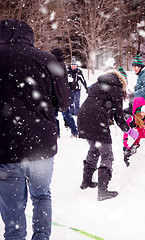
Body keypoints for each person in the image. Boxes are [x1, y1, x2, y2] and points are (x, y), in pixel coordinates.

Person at [0, 19, 71, 240]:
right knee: (41, 196)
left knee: (13, 207)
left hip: (6, 145)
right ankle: (41, 237)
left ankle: (15, 236)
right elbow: (64, 102)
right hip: (40, 144)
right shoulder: (47, 59)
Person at [77, 68, 137, 201]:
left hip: (83, 117)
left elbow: (97, 102)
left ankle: (86, 181)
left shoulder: (97, 84)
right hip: (97, 121)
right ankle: (103, 191)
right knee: (107, 154)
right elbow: (119, 116)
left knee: (94, 148)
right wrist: (130, 131)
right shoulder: (116, 89)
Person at [50, 48, 79, 138]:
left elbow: (57, 82)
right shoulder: (61, 65)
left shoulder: (57, 66)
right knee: (64, 115)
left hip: (59, 94)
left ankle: (70, 132)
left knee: (63, 115)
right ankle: (63, 132)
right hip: (61, 94)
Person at [123, 97, 145, 167]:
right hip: (133, 146)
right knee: (134, 165)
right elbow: (126, 134)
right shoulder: (131, 121)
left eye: (143, 112)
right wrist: (127, 146)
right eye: (139, 112)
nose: (141, 114)